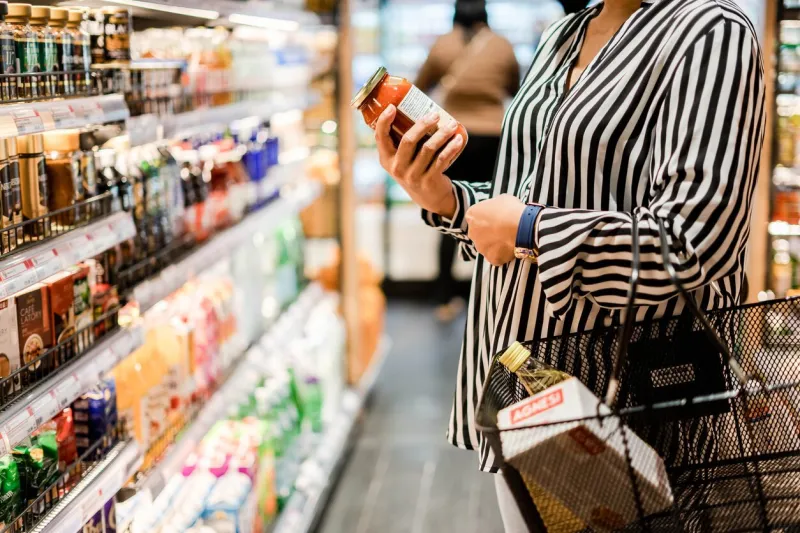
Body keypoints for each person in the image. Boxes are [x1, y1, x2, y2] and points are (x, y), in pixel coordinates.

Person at [372, 0, 765, 530]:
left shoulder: (710, 30)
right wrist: (445, 198)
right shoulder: (565, 32)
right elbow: (531, 193)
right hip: (525, 386)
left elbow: (692, 243)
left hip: (625, 403)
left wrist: (532, 230)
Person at [413, 0, 520, 322]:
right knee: (490, 211)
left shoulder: (442, 44)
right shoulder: (502, 46)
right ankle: (489, 297)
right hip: (493, 139)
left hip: (451, 138)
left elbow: (420, 88)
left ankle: (444, 299)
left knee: (449, 212)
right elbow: (514, 87)